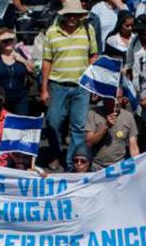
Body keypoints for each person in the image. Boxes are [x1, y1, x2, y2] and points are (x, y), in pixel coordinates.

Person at [41, 0, 99, 170]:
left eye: (76, 14)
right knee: (52, 122)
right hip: (57, 84)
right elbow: (47, 61)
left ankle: (72, 163)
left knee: (78, 127)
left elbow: (93, 57)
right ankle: (54, 153)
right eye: (69, 14)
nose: (73, 18)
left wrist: (93, 83)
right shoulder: (52, 32)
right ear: (63, 15)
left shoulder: (88, 30)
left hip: (81, 86)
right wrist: (44, 88)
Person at [85, 96, 139, 170]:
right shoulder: (93, 114)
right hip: (97, 167)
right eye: (112, 98)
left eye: (119, 98)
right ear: (104, 99)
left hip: (119, 166)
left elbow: (133, 146)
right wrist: (106, 126)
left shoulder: (128, 117)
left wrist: (137, 165)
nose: (116, 102)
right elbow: (89, 142)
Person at [0, 29, 33, 116]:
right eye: (5, 41)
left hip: (20, 98)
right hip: (0, 98)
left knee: (20, 125)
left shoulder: (21, 52)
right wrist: (0, 38)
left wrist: (23, 61)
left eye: (10, 40)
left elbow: (32, 70)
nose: (8, 42)